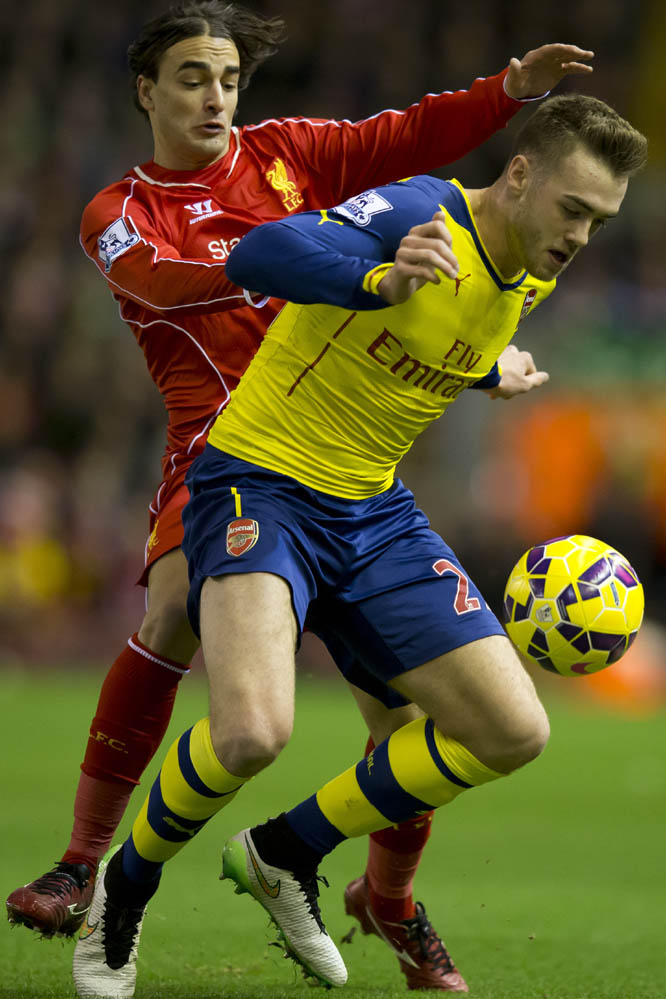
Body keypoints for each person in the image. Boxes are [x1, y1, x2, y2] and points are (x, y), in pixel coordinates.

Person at [5, 0, 594, 987]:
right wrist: (346, 270)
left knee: (406, 728)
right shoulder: (118, 213)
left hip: (345, 440)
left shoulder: (287, 154)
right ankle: (82, 865)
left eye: (229, 79)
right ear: (147, 90)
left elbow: (397, 139)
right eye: (192, 77)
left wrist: (508, 93)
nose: (216, 98)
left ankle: (388, 899)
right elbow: (172, 279)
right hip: (221, 439)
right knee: (174, 617)